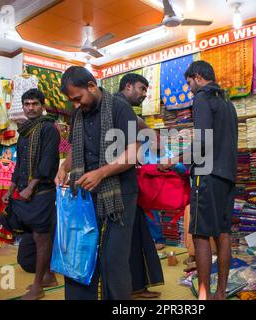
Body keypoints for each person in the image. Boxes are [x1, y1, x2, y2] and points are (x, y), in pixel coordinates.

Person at [56, 66, 139, 300]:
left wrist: (102, 173)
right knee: (80, 253)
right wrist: (64, 168)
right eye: (71, 101)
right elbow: (75, 148)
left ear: (92, 86)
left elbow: (133, 153)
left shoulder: (120, 108)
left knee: (113, 259)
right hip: (86, 192)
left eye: (77, 98)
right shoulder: (78, 114)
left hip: (119, 193)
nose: (75, 104)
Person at [159, 60, 238, 300]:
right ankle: (220, 293)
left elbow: (202, 142)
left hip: (207, 174)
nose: (189, 88)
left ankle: (204, 295)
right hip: (227, 175)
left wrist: (174, 160)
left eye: (189, 82)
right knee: (223, 233)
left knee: (201, 234)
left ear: (198, 77)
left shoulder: (203, 98)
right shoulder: (228, 104)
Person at [1, 88, 59, 300]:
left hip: (42, 191)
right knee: (35, 236)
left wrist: (30, 187)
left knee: (40, 237)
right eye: (27, 104)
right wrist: (10, 190)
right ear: (23, 107)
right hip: (26, 191)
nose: (31, 108)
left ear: (42, 107)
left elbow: (47, 161)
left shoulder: (49, 128)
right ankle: (49, 276)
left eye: (35, 104)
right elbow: (19, 165)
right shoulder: (24, 132)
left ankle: (38, 287)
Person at [115, 73, 165, 299]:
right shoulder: (119, 107)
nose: (145, 94)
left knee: (134, 234)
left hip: (121, 180)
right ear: (128, 87)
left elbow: (143, 129)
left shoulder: (120, 107)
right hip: (119, 182)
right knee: (129, 236)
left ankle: (134, 286)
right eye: (142, 89)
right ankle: (131, 287)